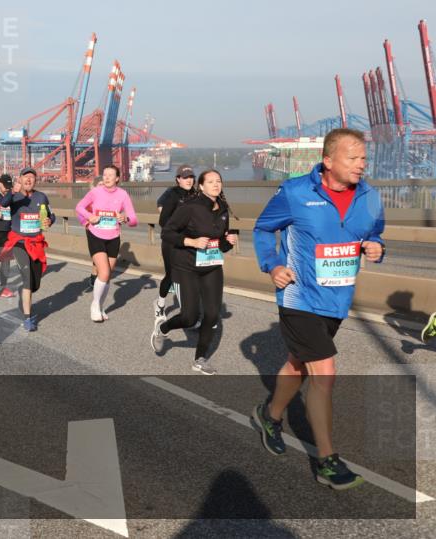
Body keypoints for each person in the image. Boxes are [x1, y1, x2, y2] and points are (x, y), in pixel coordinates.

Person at [250, 128, 384, 490]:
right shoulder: (295, 192)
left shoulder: (370, 196)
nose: (361, 164)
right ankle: (327, 460)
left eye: (363, 158)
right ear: (328, 161)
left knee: (298, 363)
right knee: (324, 369)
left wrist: (375, 246)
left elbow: (375, 232)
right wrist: (273, 265)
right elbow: (263, 230)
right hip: (299, 296)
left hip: (337, 300)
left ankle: (269, 414)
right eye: (352, 158)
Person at [150, 170, 238, 374]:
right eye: (210, 181)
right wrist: (191, 241)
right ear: (201, 186)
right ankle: (162, 329)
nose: (216, 184)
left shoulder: (223, 208)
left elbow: (220, 244)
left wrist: (228, 242)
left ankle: (200, 358)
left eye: (219, 181)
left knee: (212, 315)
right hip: (186, 266)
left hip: (212, 266)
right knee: (189, 317)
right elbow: (167, 233)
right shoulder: (189, 207)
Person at [76, 165, 138, 322]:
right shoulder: (95, 192)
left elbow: (133, 219)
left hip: (113, 237)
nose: (107, 177)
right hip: (95, 234)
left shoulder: (123, 195)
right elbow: (79, 207)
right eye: (105, 175)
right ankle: (95, 305)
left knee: (107, 275)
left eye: (111, 175)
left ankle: (101, 306)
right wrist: (90, 216)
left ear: (117, 178)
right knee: (103, 272)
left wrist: (125, 218)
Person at [0, 167, 55, 332]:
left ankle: (24, 290)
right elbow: (2, 206)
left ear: (35, 180)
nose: (29, 180)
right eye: (25, 177)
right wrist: (11, 193)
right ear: (20, 180)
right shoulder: (14, 196)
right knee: (27, 277)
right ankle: (28, 318)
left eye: (32, 177)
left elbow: (52, 215)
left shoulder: (41, 197)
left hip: (36, 242)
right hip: (19, 241)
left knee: (34, 284)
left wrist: (49, 221)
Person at [154, 165, 196, 319]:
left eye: (191, 177)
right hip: (172, 241)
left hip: (190, 242)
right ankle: (160, 304)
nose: (189, 180)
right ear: (178, 179)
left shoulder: (197, 195)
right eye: (185, 177)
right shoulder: (172, 194)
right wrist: (177, 227)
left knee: (190, 276)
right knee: (172, 275)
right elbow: (163, 220)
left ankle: (189, 313)